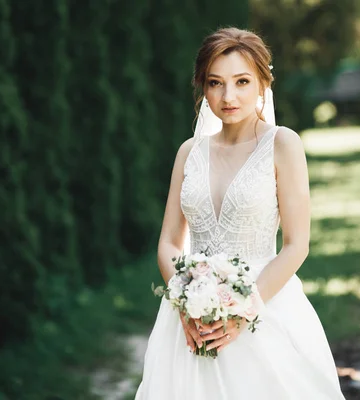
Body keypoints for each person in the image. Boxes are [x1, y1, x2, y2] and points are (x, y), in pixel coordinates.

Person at [135, 27, 345, 399]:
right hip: (191, 319)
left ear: (264, 82)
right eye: (215, 83)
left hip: (266, 308)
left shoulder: (283, 144)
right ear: (203, 87)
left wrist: (243, 309)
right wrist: (185, 301)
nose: (228, 96)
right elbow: (169, 241)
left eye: (242, 81)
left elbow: (296, 245)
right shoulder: (189, 152)